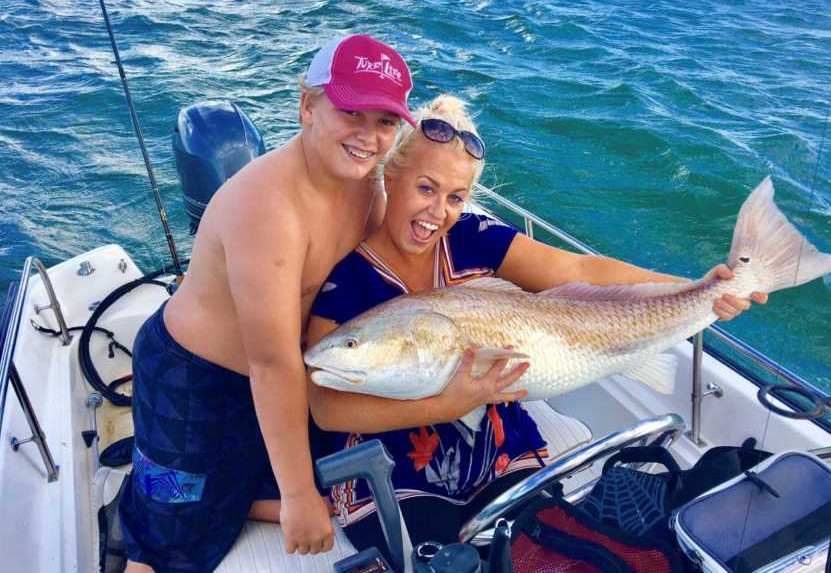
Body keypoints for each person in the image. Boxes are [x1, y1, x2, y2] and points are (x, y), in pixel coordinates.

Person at [303, 94, 768, 556]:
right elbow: (325, 406)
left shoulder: (471, 237)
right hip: (394, 463)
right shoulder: (348, 284)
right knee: (434, 561)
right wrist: (446, 405)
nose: (437, 212)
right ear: (391, 174)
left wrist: (701, 287)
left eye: (455, 197)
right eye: (425, 188)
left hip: (499, 445)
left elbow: (582, 273)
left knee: (544, 551)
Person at [117, 34, 421, 573]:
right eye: (351, 111)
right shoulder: (268, 208)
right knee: (167, 545)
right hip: (193, 380)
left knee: (335, 472)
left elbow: (381, 272)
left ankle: (236, 496)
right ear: (307, 105)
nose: (369, 137)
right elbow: (270, 363)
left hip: (279, 373)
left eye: (385, 122)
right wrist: (299, 495)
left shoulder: (365, 181)